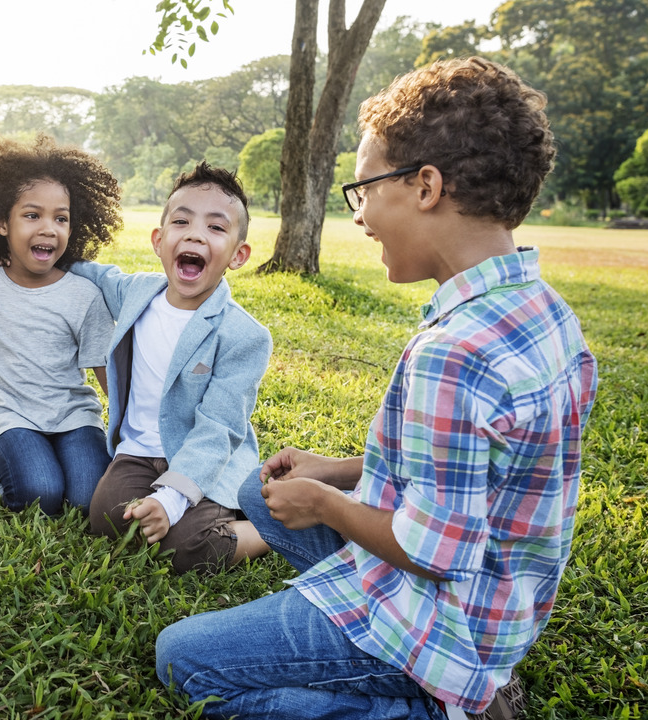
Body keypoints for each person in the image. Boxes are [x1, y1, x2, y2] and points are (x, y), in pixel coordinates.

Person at [154, 57, 599, 719]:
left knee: (182, 657)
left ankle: (438, 707)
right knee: (258, 492)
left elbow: (434, 553)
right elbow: (484, 470)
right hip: (501, 602)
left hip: (441, 624)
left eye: (363, 190)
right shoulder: (541, 310)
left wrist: (330, 506)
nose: (360, 217)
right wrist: (337, 471)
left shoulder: (456, 354)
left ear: (425, 186)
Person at [68, 162, 272, 574]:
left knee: (185, 547)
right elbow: (93, 273)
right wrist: (46, 254)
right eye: (182, 221)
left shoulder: (244, 335)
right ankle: (170, 510)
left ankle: (266, 527)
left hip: (204, 459)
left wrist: (171, 498)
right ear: (160, 241)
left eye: (216, 228)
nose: (195, 234)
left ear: (238, 255)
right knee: (106, 519)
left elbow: (218, 428)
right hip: (139, 454)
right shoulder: (137, 292)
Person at [0, 135, 121, 517]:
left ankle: (8, 454)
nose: (49, 228)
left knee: (85, 500)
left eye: (60, 218)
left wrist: (130, 430)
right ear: (1, 222)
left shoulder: (84, 294)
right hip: (12, 417)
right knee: (40, 495)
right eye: (32, 215)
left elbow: (103, 366)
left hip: (74, 417)